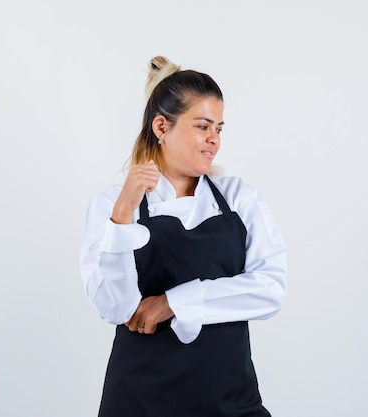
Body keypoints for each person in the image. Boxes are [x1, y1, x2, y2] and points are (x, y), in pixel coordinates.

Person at [80, 56, 287, 417]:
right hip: (139, 402)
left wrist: (174, 301)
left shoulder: (240, 199)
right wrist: (122, 218)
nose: (214, 140)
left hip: (230, 403)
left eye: (219, 129)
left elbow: (270, 290)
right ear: (162, 127)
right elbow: (113, 308)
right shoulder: (109, 206)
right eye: (203, 126)